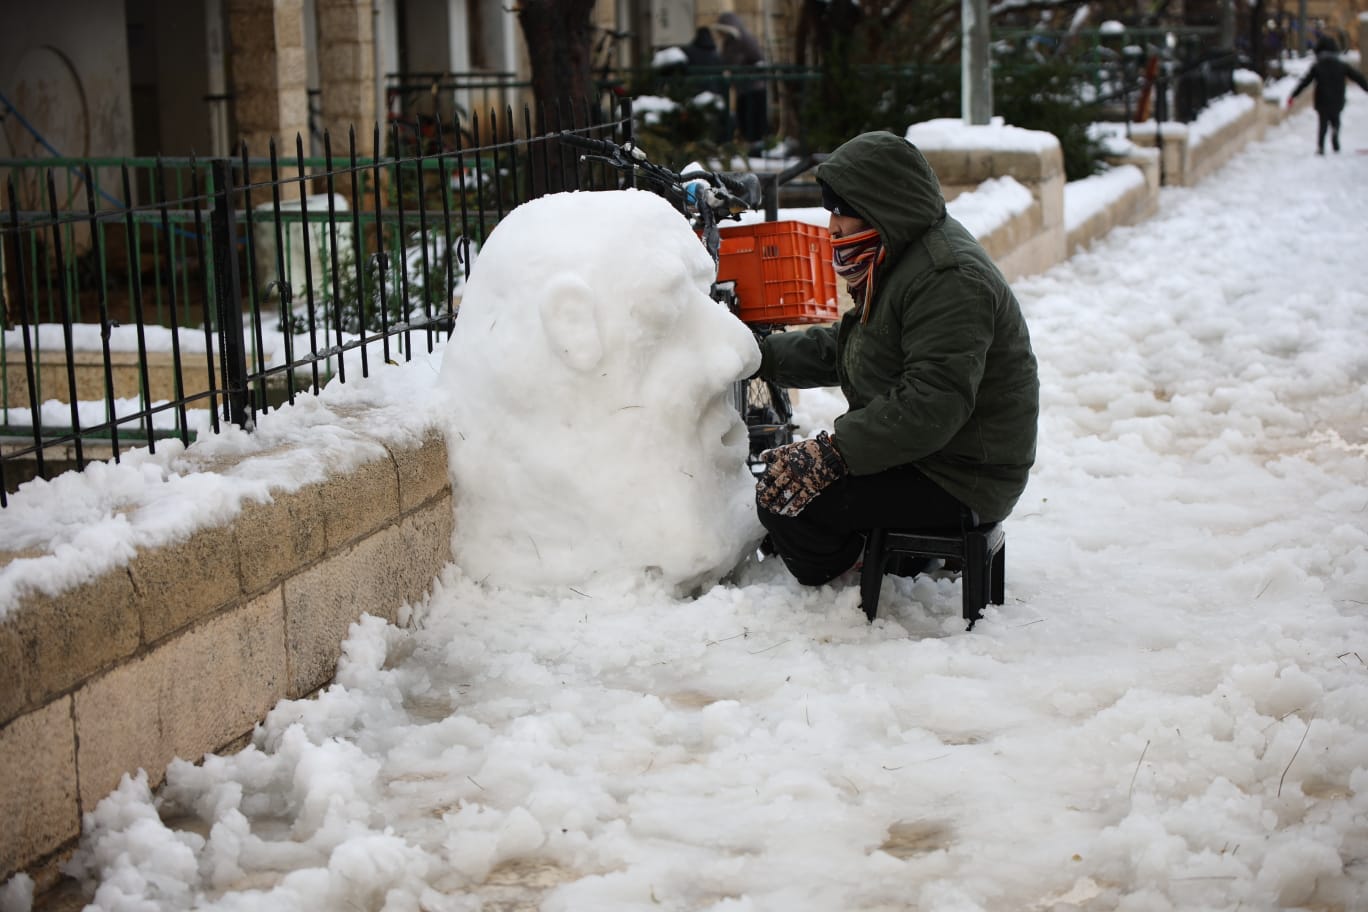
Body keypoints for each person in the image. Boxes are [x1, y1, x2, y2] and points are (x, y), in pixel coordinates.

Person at [751, 131, 1039, 587]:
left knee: (785, 499)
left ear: (880, 206)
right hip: (934, 456)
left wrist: (834, 453)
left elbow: (931, 405)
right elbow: (851, 350)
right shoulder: (903, 258)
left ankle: (867, 563)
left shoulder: (949, 278)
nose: (833, 227)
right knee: (787, 485)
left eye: (842, 212)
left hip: (962, 476)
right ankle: (876, 544)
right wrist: (756, 355)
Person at [1287, 35, 1368, 154]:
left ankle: (1321, 146)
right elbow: (1358, 78)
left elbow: (1305, 81)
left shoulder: (1318, 66)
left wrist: (1293, 95)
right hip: (1337, 98)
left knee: (1323, 123)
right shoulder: (1342, 65)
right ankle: (1335, 137)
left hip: (1322, 100)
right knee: (1336, 120)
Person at [715, 12, 768, 146]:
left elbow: (759, 60)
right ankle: (749, 146)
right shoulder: (728, 43)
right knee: (744, 120)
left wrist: (746, 72)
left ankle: (757, 148)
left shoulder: (746, 40)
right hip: (741, 89)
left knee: (754, 122)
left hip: (753, 88)